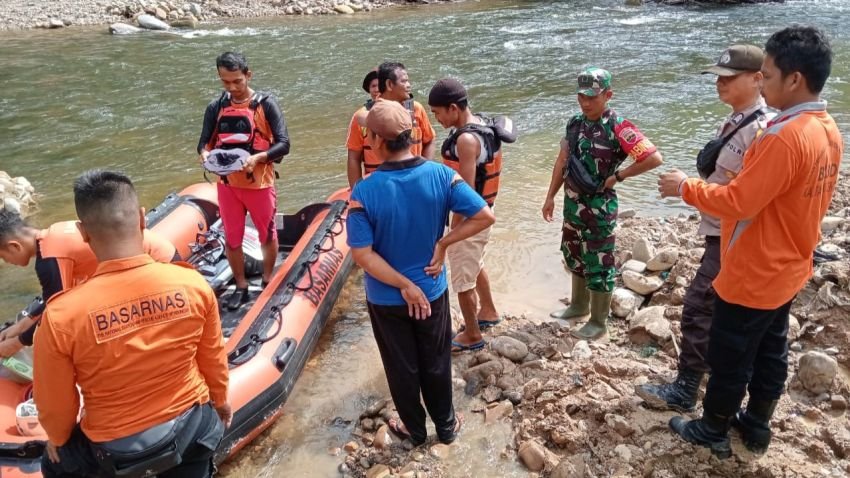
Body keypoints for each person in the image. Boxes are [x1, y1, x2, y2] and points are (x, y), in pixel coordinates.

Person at [659, 26, 843, 458]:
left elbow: (739, 202)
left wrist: (685, 188)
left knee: (729, 356)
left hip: (754, 268)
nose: (762, 81)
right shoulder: (826, 128)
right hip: (790, 263)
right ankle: (757, 424)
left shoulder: (782, 137)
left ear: (794, 79)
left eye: (768, 74)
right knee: (771, 350)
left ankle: (713, 428)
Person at [33, 170, 231, 477]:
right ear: (141, 218)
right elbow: (213, 359)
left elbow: (56, 406)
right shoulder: (192, 285)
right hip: (189, 429)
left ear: (83, 232)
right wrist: (220, 403)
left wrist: (58, 439)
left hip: (112, 452)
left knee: (54, 462)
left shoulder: (61, 317)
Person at [347, 100, 495, 445]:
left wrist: (402, 285)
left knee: (401, 365)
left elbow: (362, 255)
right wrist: (444, 244)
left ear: (377, 142)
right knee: (436, 359)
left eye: (368, 135)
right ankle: (446, 428)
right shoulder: (442, 175)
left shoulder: (363, 192)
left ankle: (414, 431)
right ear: (411, 136)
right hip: (431, 289)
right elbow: (484, 216)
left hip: (386, 298)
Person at [636, 44, 772, 412]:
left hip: (735, 238)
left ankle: (686, 389)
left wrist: (684, 189)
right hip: (719, 232)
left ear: (758, 79)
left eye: (729, 77)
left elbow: (744, 197)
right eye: (718, 77)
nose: (719, 83)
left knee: (699, 307)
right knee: (717, 311)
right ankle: (715, 383)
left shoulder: (760, 131)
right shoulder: (734, 121)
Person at [541, 67, 663, 340]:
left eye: (592, 98)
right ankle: (577, 306)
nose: (585, 103)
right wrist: (549, 196)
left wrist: (619, 175)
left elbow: (653, 158)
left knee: (599, 262)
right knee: (574, 254)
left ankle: (598, 322)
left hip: (599, 208)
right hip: (572, 204)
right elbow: (562, 161)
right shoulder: (575, 123)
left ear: (608, 95)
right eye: (581, 97)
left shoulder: (618, 126)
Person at [0, 208, 178, 358]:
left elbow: (56, 314)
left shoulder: (49, 258)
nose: (6, 262)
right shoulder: (52, 234)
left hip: (159, 269)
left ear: (14, 246)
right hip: (159, 258)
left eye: (2, 256)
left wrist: (17, 343)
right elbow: (52, 300)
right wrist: (19, 327)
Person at [197, 51, 290, 310]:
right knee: (233, 238)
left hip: (259, 184)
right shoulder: (215, 107)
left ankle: (267, 279)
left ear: (248, 75)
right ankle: (240, 285)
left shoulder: (266, 105)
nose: (232, 87)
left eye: (237, 81)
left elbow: (284, 144)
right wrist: (204, 154)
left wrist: (259, 157)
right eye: (225, 82)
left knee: (267, 233)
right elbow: (203, 142)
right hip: (228, 186)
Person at [428, 78, 515, 352]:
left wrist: (451, 236)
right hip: (486, 210)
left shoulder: (466, 140)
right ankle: (487, 311)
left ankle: (472, 335)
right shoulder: (482, 125)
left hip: (471, 218)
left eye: (438, 113)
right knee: (475, 263)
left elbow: (463, 195)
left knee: (462, 277)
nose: (437, 119)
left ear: (453, 108)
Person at [375, 62, 436, 159]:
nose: (409, 85)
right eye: (404, 81)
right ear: (389, 84)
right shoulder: (367, 116)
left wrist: (424, 169)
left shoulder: (417, 108)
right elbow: (354, 156)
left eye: (408, 81)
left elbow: (429, 140)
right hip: (383, 173)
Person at [346, 68, 382, 187]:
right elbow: (353, 158)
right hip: (374, 180)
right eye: (373, 86)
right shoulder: (359, 118)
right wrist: (356, 190)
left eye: (380, 85)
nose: (376, 89)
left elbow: (427, 141)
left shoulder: (410, 111)